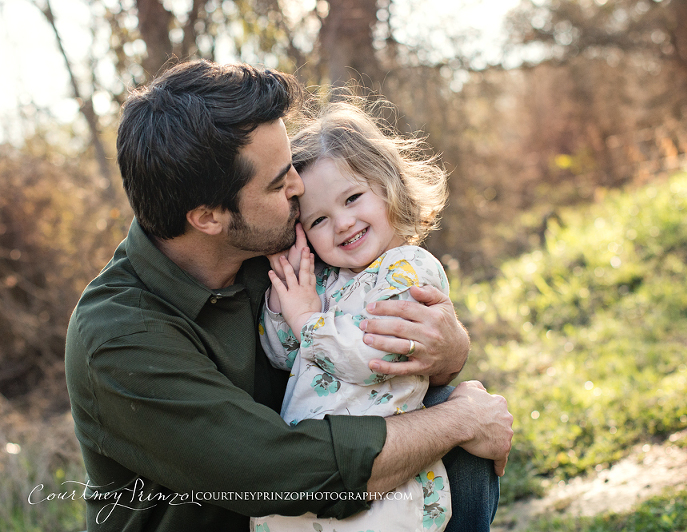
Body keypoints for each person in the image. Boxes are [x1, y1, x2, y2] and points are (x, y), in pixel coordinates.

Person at [64, 59, 514, 532]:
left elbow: (390, 344)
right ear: (208, 217)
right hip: (265, 506)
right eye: (280, 182)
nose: (299, 187)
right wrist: (460, 420)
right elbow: (276, 473)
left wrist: (449, 347)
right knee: (448, 425)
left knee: (449, 428)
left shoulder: (277, 241)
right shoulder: (117, 338)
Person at [252, 100, 457, 531]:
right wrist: (284, 301)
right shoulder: (327, 280)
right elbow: (284, 353)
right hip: (316, 465)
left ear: (388, 184)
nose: (342, 223)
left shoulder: (409, 267)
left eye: (353, 198)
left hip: (384, 479)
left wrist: (308, 319)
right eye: (320, 219)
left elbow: (376, 357)